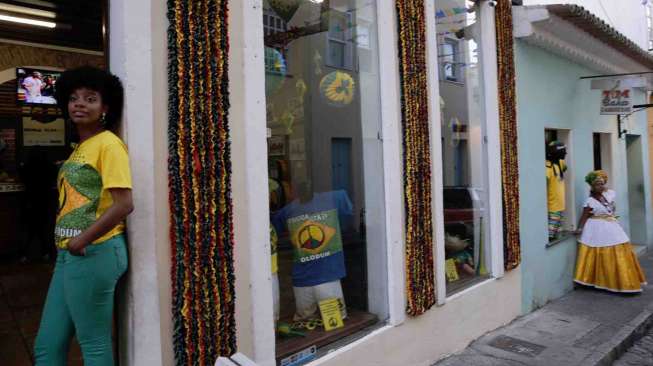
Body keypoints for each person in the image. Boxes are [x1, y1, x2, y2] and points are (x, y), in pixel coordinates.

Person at [34, 66, 133, 366]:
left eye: (90, 98)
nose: (80, 103)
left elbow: (124, 203)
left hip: (95, 251)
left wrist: (81, 240)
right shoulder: (82, 147)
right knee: (47, 346)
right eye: (74, 98)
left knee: (93, 344)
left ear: (105, 107)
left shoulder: (109, 144)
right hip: (70, 255)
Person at [573, 170, 646, 293]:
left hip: (611, 226)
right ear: (592, 186)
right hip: (596, 228)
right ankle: (596, 281)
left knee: (620, 247)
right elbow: (584, 216)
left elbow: (611, 206)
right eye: (597, 184)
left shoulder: (608, 195)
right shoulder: (589, 201)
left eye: (602, 183)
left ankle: (623, 281)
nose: (601, 186)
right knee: (597, 252)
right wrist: (579, 229)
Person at [546, 141, 567, 241]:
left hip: (560, 205)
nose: (565, 153)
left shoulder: (561, 163)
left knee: (558, 236)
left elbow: (565, 168)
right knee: (551, 236)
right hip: (552, 206)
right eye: (563, 151)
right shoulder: (547, 166)